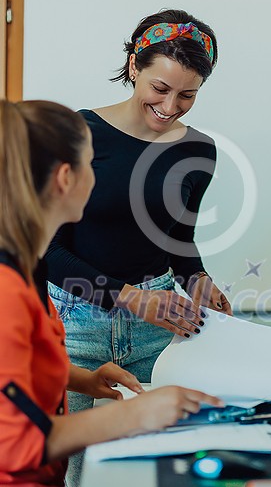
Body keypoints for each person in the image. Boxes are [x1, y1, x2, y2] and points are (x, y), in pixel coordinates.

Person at [0, 99, 223, 486]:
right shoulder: (8, 293)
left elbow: (14, 378)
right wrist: (133, 414)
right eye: (91, 164)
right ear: (66, 178)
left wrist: (82, 379)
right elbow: (14, 445)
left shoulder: (25, 271)